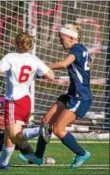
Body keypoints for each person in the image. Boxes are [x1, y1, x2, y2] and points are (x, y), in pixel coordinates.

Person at [0, 32, 55, 169]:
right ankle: (3, 164)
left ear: (16, 43)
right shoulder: (34, 60)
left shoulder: (11, 57)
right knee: (9, 137)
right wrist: (34, 74)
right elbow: (51, 76)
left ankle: (39, 131)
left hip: (14, 101)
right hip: (26, 101)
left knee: (14, 136)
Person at [25, 24, 93, 169]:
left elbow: (64, 63)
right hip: (71, 94)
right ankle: (38, 157)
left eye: (62, 38)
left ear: (71, 37)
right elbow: (89, 64)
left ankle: (81, 153)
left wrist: (43, 66)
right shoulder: (82, 49)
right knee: (46, 121)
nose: (60, 41)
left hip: (80, 97)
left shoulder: (76, 49)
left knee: (58, 129)